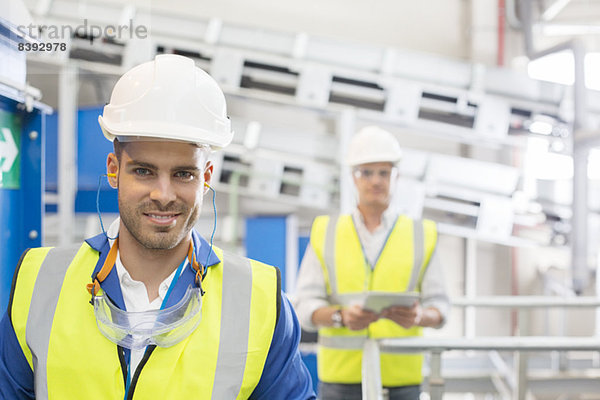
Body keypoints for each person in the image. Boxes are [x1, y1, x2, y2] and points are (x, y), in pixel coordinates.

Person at [0, 54, 315, 399]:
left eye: (183, 174)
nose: (163, 195)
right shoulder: (40, 280)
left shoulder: (261, 299)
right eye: (144, 171)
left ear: (206, 177)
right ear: (113, 169)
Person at [293, 126, 449, 400]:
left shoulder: (422, 234)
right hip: (340, 380)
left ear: (395, 176)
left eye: (383, 172)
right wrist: (340, 316)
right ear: (353, 177)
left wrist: (420, 316)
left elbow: (440, 306)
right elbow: (305, 305)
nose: (375, 181)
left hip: (403, 379)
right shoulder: (325, 231)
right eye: (367, 172)